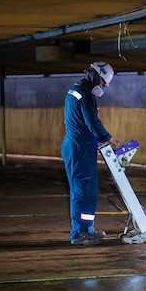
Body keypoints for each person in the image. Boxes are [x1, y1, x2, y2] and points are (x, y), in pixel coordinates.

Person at [61, 62, 120, 246]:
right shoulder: (85, 95)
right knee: (83, 191)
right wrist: (108, 138)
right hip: (81, 148)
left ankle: (87, 229)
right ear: (96, 75)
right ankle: (80, 233)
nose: (102, 87)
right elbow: (92, 122)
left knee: (86, 190)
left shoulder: (74, 90)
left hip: (77, 145)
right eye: (102, 82)